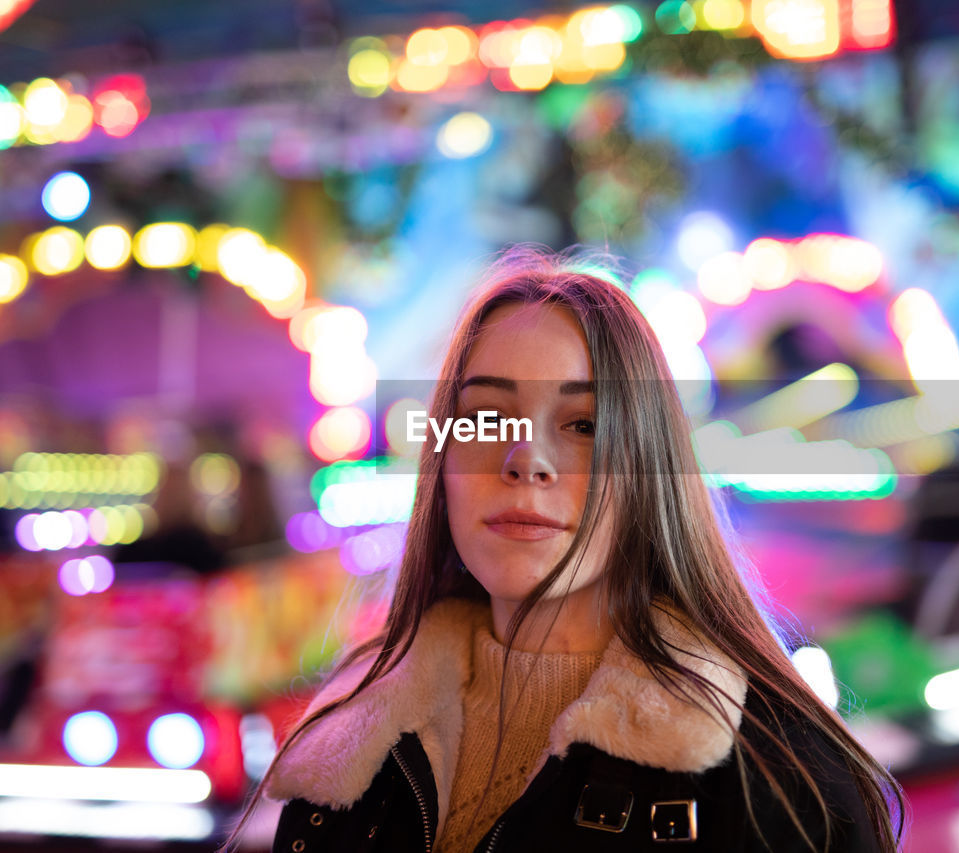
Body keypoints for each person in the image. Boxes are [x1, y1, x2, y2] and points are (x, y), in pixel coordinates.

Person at [228, 247, 904, 853]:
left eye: (583, 424)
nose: (528, 459)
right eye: (489, 418)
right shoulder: (343, 757)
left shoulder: (777, 780)